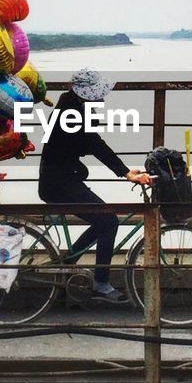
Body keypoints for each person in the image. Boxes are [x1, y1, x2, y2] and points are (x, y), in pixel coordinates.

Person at [38, 67, 151, 303]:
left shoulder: (73, 104)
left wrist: (125, 170)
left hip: (63, 178)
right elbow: (93, 144)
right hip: (59, 183)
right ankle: (100, 283)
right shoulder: (71, 112)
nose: (102, 97)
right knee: (108, 221)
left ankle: (67, 264)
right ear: (86, 93)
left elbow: (90, 142)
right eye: (98, 93)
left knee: (104, 221)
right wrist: (125, 173)